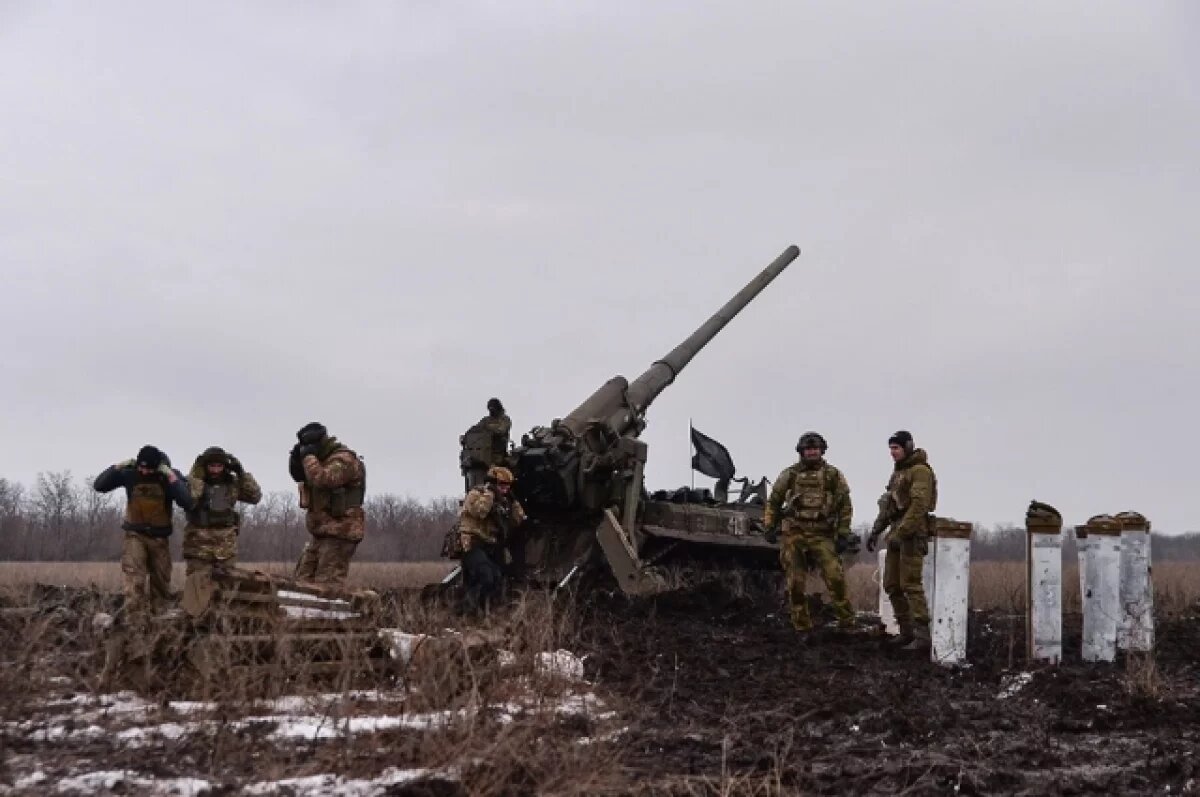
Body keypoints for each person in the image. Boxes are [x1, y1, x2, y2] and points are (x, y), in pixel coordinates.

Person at [763, 432, 857, 633]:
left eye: (815, 449)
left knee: (835, 578)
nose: (812, 452)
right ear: (801, 452)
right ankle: (802, 626)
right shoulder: (790, 474)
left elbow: (845, 506)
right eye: (808, 449)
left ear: (822, 450)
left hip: (822, 533)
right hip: (795, 532)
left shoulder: (833, 475)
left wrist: (842, 533)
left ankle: (847, 622)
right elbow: (774, 501)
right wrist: (769, 526)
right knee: (795, 583)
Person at [92, 445, 192, 622]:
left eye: (149, 469)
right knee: (134, 579)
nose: (145, 472)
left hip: (159, 538)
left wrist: (171, 477)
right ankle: (134, 620)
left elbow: (186, 501)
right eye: (142, 468)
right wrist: (118, 467)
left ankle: (159, 619)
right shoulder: (130, 474)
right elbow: (99, 485)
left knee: (161, 581)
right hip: (135, 535)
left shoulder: (168, 476)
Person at [867, 430, 938, 652]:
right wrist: (876, 531)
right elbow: (889, 506)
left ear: (906, 447)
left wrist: (901, 533)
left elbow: (919, 506)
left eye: (896, 448)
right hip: (897, 533)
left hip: (913, 534)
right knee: (891, 584)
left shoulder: (920, 471)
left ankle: (922, 637)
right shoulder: (899, 473)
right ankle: (906, 632)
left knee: (911, 585)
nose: (892, 453)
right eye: (890, 449)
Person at [181, 446, 262, 616]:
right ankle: (195, 622)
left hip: (225, 544)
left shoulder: (232, 484)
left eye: (219, 466)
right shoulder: (195, 481)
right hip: (199, 544)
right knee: (198, 586)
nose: (215, 470)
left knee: (227, 584)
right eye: (212, 466)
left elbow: (255, 496)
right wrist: (196, 474)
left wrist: (241, 473)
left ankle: (222, 622)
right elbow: (189, 498)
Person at [289, 422, 367, 586]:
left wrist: (309, 457)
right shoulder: (321, 460)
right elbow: (300, 476)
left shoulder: (344, 459)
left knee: (326, 587)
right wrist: (297, 459)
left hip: (341, 532)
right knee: (301, 583)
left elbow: (324, 479)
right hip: (321, 533)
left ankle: (358, 608)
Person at [456, 465, 526, 615]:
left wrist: (513, 502)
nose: (505, 489)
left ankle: (484, 612)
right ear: (493, 483)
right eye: (501, 485)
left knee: (498, 578)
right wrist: (490, 494)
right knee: (486, 576)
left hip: (491, 546)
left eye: (508, 486)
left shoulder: (505, 500)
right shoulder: (476, 494)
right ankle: (466, 610)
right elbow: (480, 512)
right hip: (473, 544)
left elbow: (518, 519)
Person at [459, 398, 512, 490]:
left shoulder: (504, 419)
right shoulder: (486, 420)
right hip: (485, 454)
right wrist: (466, 436)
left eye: (493, 408)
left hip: (498, 454)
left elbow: (501, 430)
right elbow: (476, 429)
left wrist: (487, 429)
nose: (491, 410)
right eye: (490, 408)